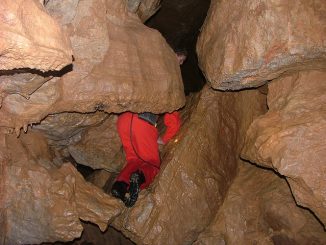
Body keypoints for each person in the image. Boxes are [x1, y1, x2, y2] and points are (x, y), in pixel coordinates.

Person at [111, 51, 187, 207]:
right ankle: (139, 178)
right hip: (143, 121)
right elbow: (172, 112)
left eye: (181, 62)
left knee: (134, 159)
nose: (179, 64)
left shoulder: (147, 71)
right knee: (151, 163)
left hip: (124, 120)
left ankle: (120, 186)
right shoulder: (169, 80)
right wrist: (165, 138)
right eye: (179, 60)